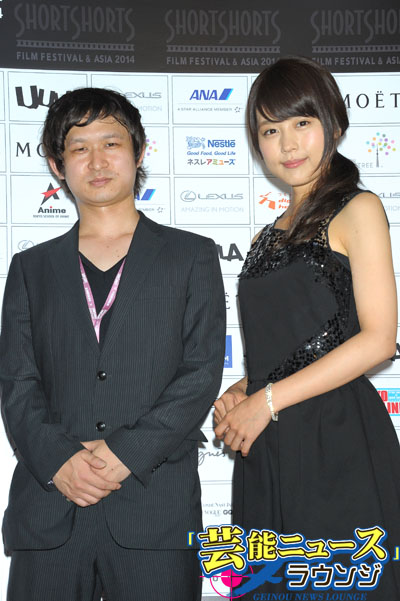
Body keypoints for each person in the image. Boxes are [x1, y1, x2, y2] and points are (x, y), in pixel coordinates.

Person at [0, 87, 226, 601]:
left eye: (111, 143)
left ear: (139, 152)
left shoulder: (191, 256)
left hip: (155, 512)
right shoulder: (31, 268)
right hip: (50, 509)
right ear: (57, 165)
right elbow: (17, 380)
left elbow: (200, 372)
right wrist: (59, 461)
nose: (97, 161)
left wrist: (126, 453)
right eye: (79, 148)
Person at [214, 56, 400, 598]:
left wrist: (267, 399)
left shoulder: (358, 208)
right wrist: (244, 390)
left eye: (301, 122)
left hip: (335, 438)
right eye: (270, 130)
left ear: (332, 123)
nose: (288, 144)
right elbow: (289, 343)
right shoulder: (263, 238)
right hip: (268, 444)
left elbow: (378, 339)